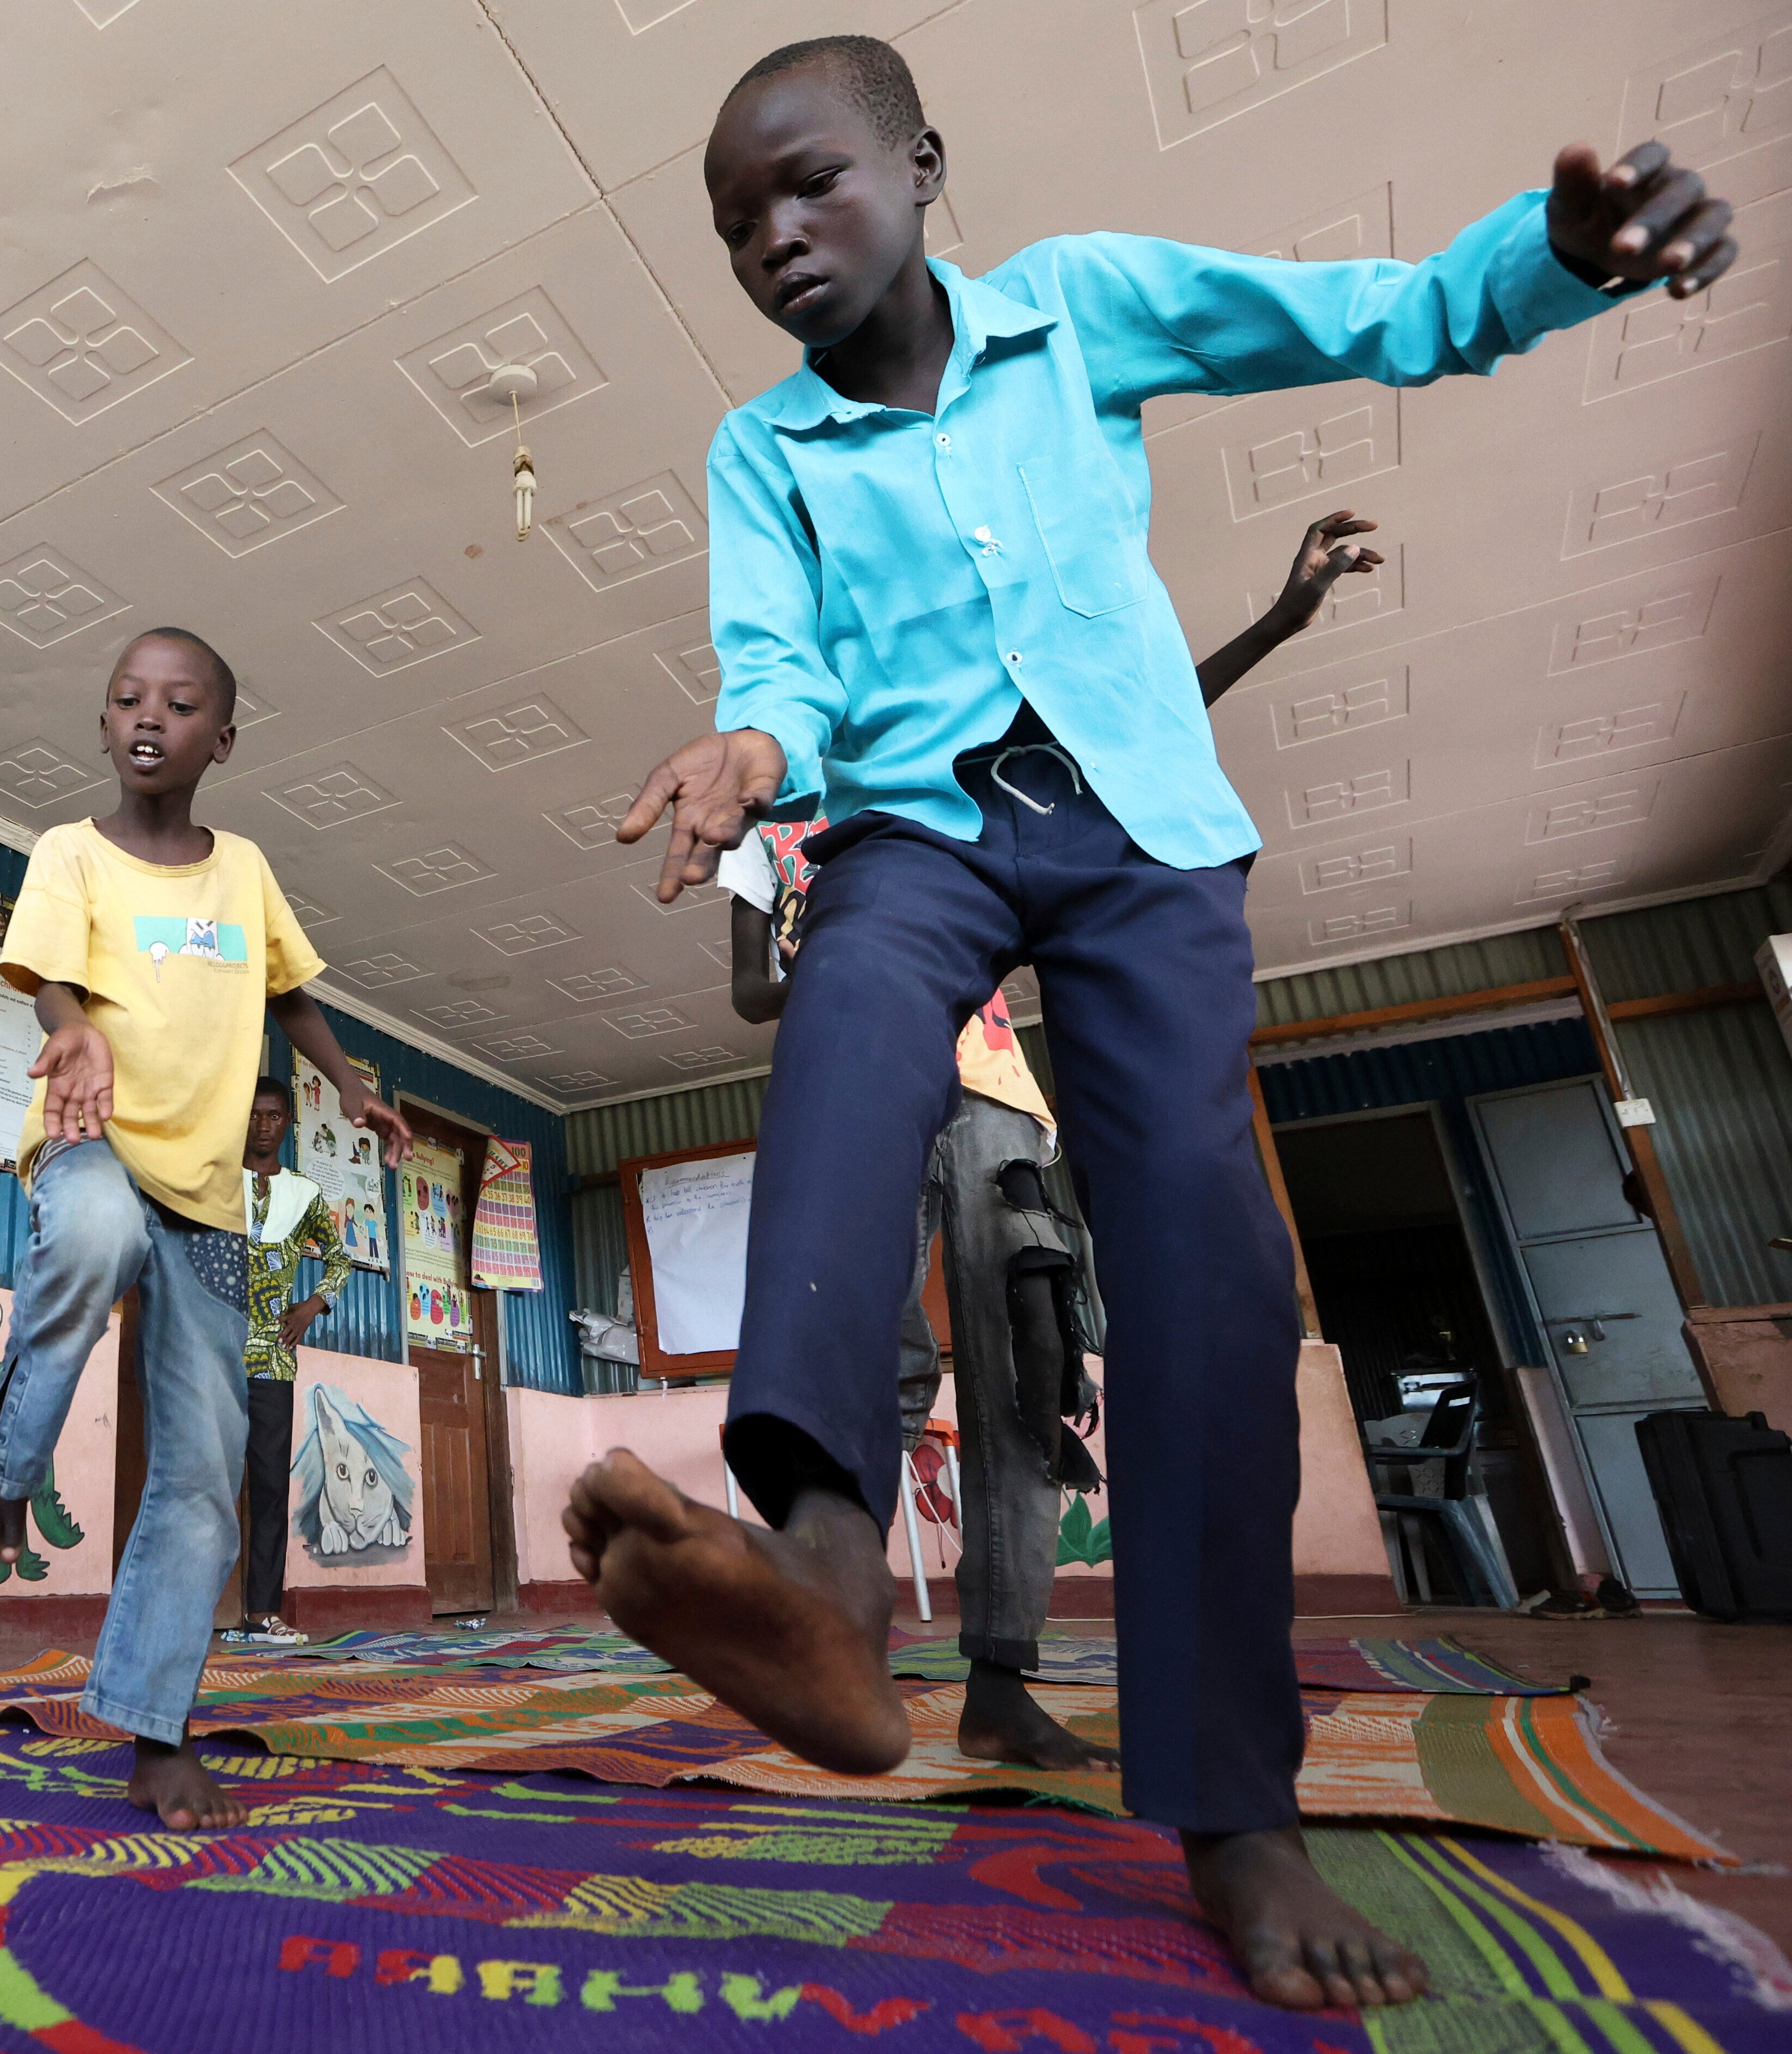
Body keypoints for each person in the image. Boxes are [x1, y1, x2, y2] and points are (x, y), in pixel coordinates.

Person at [577, 33, 1734, 2011]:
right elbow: (777, 662)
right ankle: (832, 1581)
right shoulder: (762, 449)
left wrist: (1554, 260)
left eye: (811, 186)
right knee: (845, 1036)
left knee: (1202, 1257)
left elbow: (1380, 318)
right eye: (733, 221)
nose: (774, 237)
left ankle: (1239, 1821)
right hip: (919, 832)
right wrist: (749, 744)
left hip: (1137, 837)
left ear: (921, 163)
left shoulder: (1082, 312)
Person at [719, 509, 1381, 1774]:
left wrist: (1283, 620)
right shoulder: (768, 827)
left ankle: (1000, 1677)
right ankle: (832, 1611)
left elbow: (1126, 730)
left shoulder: (935, 748)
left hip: (994, 1100)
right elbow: (751, 994)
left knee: (1026, 1376)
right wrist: (847, 956)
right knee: (858, 1349)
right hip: (864, 1080)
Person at [0, 627, 410, 1830]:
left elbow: (290, 990)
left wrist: (349, 1086)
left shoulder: (242, 871)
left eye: (180, 702)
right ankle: (11, 1447)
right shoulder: (71, 854)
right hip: (96, 1147)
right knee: (92, 1241)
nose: (149, 716)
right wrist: (76, 1028)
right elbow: (47, 976)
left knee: (202, 1478)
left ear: (221, 736)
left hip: (209, 1199)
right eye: (126, 698)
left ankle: (155, 1725)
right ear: (103, 724)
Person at [232, 1075, 355, 1646]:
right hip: (210, 1353)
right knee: (200, 1484)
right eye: (254, 1114)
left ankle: (261, 1614)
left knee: (268, 1490)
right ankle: (182, 1610)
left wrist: (313, 1305)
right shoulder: (214, 1181)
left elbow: (339, 1258)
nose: (263, 1124)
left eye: (274, 1115)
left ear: (288, 1123)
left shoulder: (304, 1195)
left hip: (272, 1362)